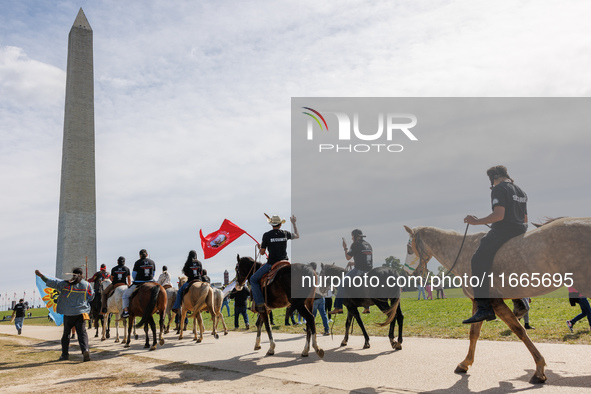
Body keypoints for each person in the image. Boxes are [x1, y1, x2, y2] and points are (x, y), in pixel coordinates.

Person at [462, 165, 529, 324]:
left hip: (504, 231)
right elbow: (525, 219)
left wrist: (476, 222)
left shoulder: (499, 189)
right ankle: (518, 299)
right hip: (521, 230)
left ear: (494, 178)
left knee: (477, 261)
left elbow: (499, 215)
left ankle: (484, 308)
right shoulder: (520, 191)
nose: (492, 185)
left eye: (491, 182)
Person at [35, 267, 93, 362]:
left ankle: (65, 355)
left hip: (69, 313)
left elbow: (52, 283)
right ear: (82, 275)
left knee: (66, 334)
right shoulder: (87, 285)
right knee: (82, 333)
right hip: (81, 313)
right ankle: (85, 350)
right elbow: (91, 297)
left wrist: (41, 275)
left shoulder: (66, 284)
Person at [250, 214, 299, 313]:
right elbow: (297, 235)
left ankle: (260, 303)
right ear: (280, 224)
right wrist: (294, 224)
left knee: (253, 279)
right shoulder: (285, 233)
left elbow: (263, 252)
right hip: (285, 262)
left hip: (272, 264)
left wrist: (260, 247)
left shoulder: (267, 235)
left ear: (272, 225)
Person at [329, 229, 373, 315]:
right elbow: (364, 259)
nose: (352, 238)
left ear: (355, 236)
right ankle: (367, 308)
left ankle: (338, 307)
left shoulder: (355, 244)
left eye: (352, 236)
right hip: (369, 270)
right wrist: (353, 263)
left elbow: (348, 257)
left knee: (341, 283)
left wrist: (345, 247)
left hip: (359, 270)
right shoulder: (368, 244)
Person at [121, 249, 156, 318]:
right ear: (147, 255)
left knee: (125, 296)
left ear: (139, 256)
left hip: (139, 282)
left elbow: (134, 275)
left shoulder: (137, 262)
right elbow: (153, 273)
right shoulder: (152, 262)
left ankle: (126, 312)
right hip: (151, 281)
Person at [310, 263, 330, 335]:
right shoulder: (319, 277)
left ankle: (310, 329)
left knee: (312, 315)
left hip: (315, 299)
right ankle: (327, 329)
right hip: (322, 298)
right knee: (323, 315)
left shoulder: (312, 278)